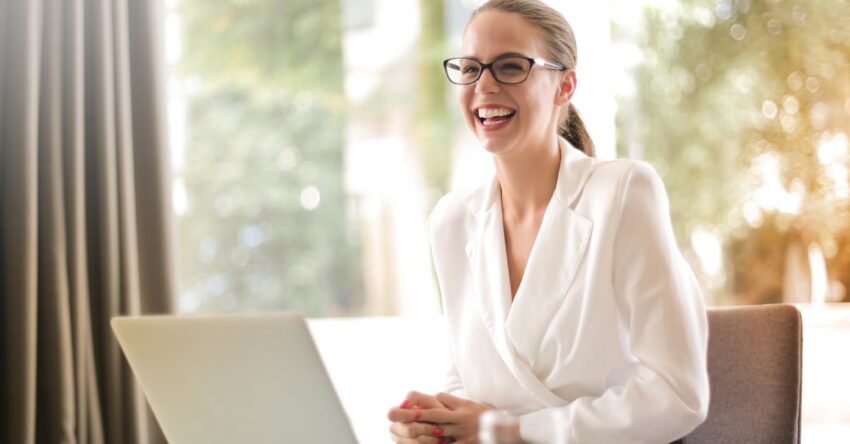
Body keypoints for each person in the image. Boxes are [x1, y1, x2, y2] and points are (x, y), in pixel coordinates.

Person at [387, 0, 709, 442]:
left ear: (565, 85)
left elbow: (677, 395)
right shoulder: (452, 221)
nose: (484, 86)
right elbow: (465, 378)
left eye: (510, 66)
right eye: (470, 68)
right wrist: (435, 424)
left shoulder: (623, 193)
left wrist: (511, 432)